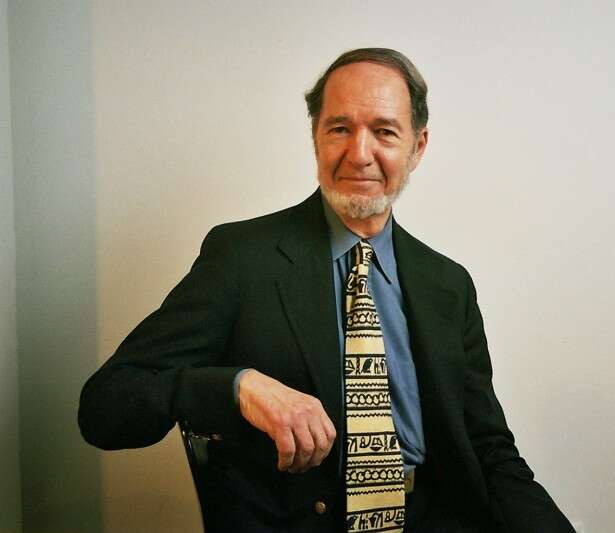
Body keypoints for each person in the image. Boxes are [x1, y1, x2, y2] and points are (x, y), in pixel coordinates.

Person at [78, 48, 575, 532]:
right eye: (340, 128)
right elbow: (106, 407)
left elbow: (490, 450)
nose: (359, 154)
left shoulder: (449, 285)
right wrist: (238, 387)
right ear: (315, 136)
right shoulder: (241, 259)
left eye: (384, 132)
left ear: (417, 147)